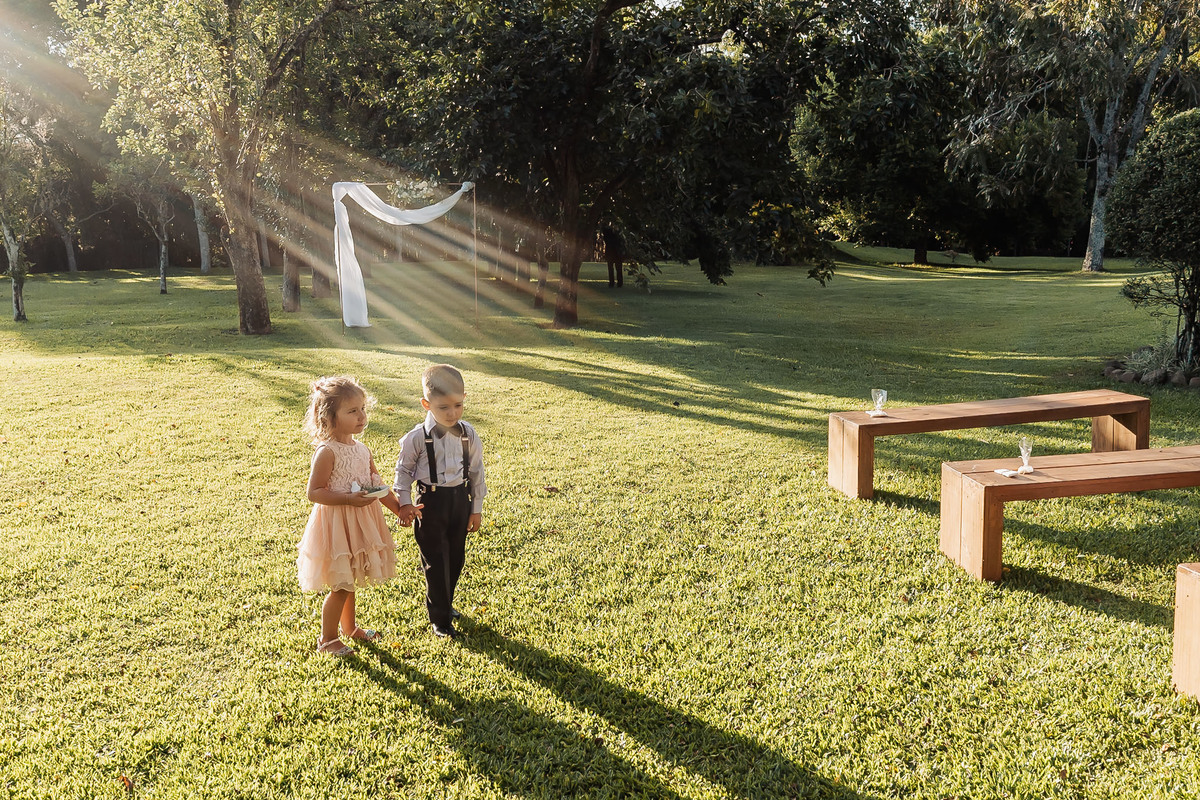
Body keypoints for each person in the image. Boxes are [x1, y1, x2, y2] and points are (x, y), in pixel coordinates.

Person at [296, 376, 400, 656]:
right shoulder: (327, 451)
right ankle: (327, 640)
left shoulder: (362, 449)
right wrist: (346, 499)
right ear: (329, 417)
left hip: (360, 523)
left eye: (363, 408)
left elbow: (377, 484)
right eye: (352, 411)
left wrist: (400, 508)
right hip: (338, 523)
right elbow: (314, 492)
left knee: (349, 578)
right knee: (341, 585)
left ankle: (349, 628)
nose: (361, 416)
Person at [393, 364, 487, 639]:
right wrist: (404, 503)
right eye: (443, 407)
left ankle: (446, 604)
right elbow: (403, 472)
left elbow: (476, 472)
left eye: (458, 405)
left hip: (459, 500)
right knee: (435, 561)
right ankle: (440, 621)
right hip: (429, 504)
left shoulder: (469, 433)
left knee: (456, 558)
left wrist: (476, 509)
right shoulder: (416, 438)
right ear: (426, 404)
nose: (452, 413)